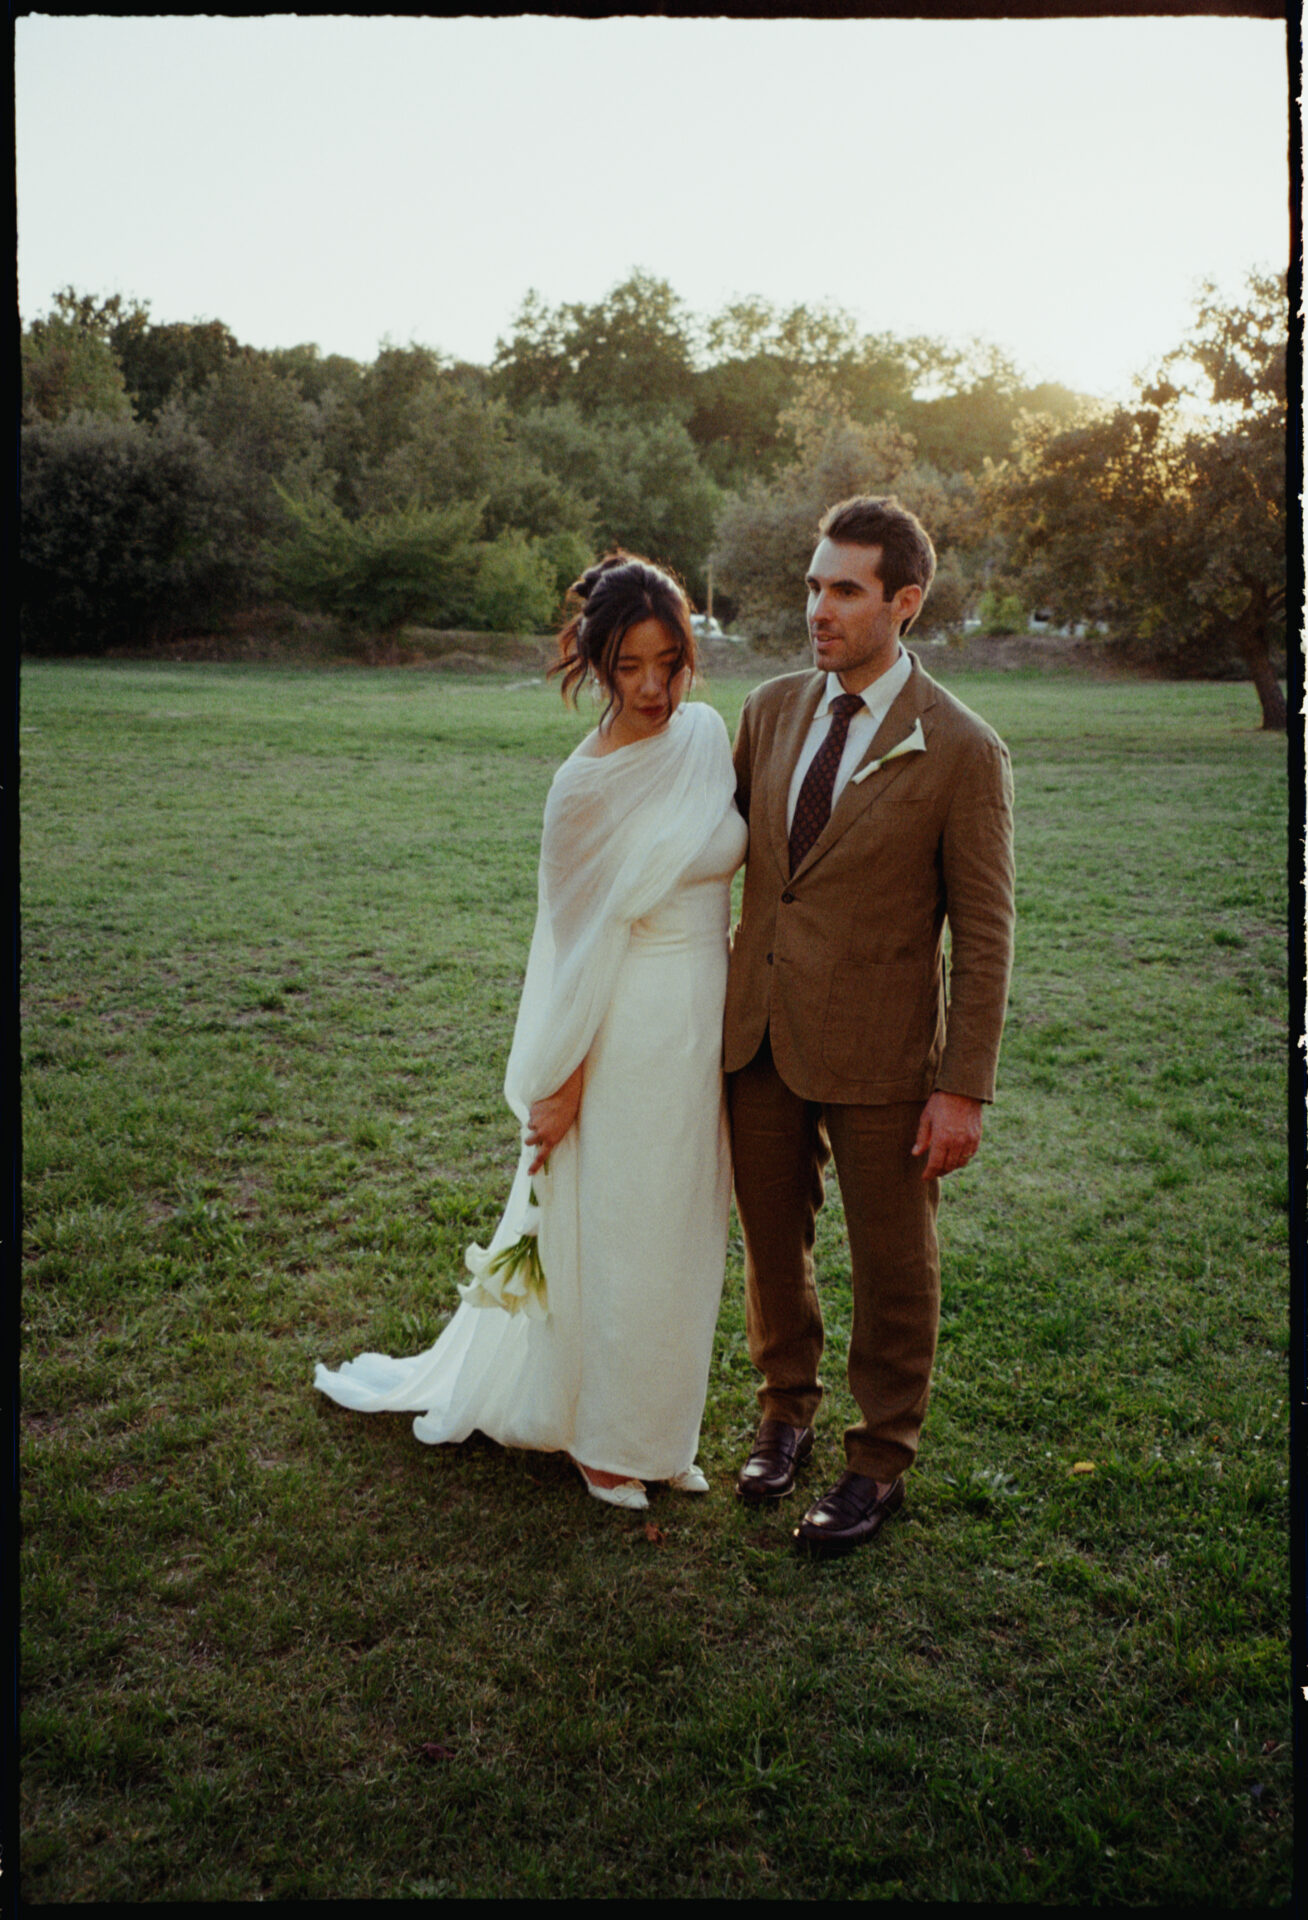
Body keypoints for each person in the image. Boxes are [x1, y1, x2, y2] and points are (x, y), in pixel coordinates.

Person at [315, 554, 747, 1511]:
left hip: (705, 1034)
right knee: (621, 1239)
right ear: (594, 663)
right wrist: (564, 1081)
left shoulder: (709, 737)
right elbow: (572, 950)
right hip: (623, 1035)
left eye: (669, 663)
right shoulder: (581, 789)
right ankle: (600, 1440)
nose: (652, 688)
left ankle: (659, 1433)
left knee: (683, 1237)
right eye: (629, 665)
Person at [725, 495, 1015, 1555]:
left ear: (905, 600)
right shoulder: (766, 709)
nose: (819, 608)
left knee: (895, 1265)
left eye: (844, 590)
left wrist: (962, 1085)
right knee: (771, 1240)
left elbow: (985, 932)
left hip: (887, 1056)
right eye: (813, 585)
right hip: (755, 1035)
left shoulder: (962, 749)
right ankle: (783, 1412)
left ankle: (879, 1463)